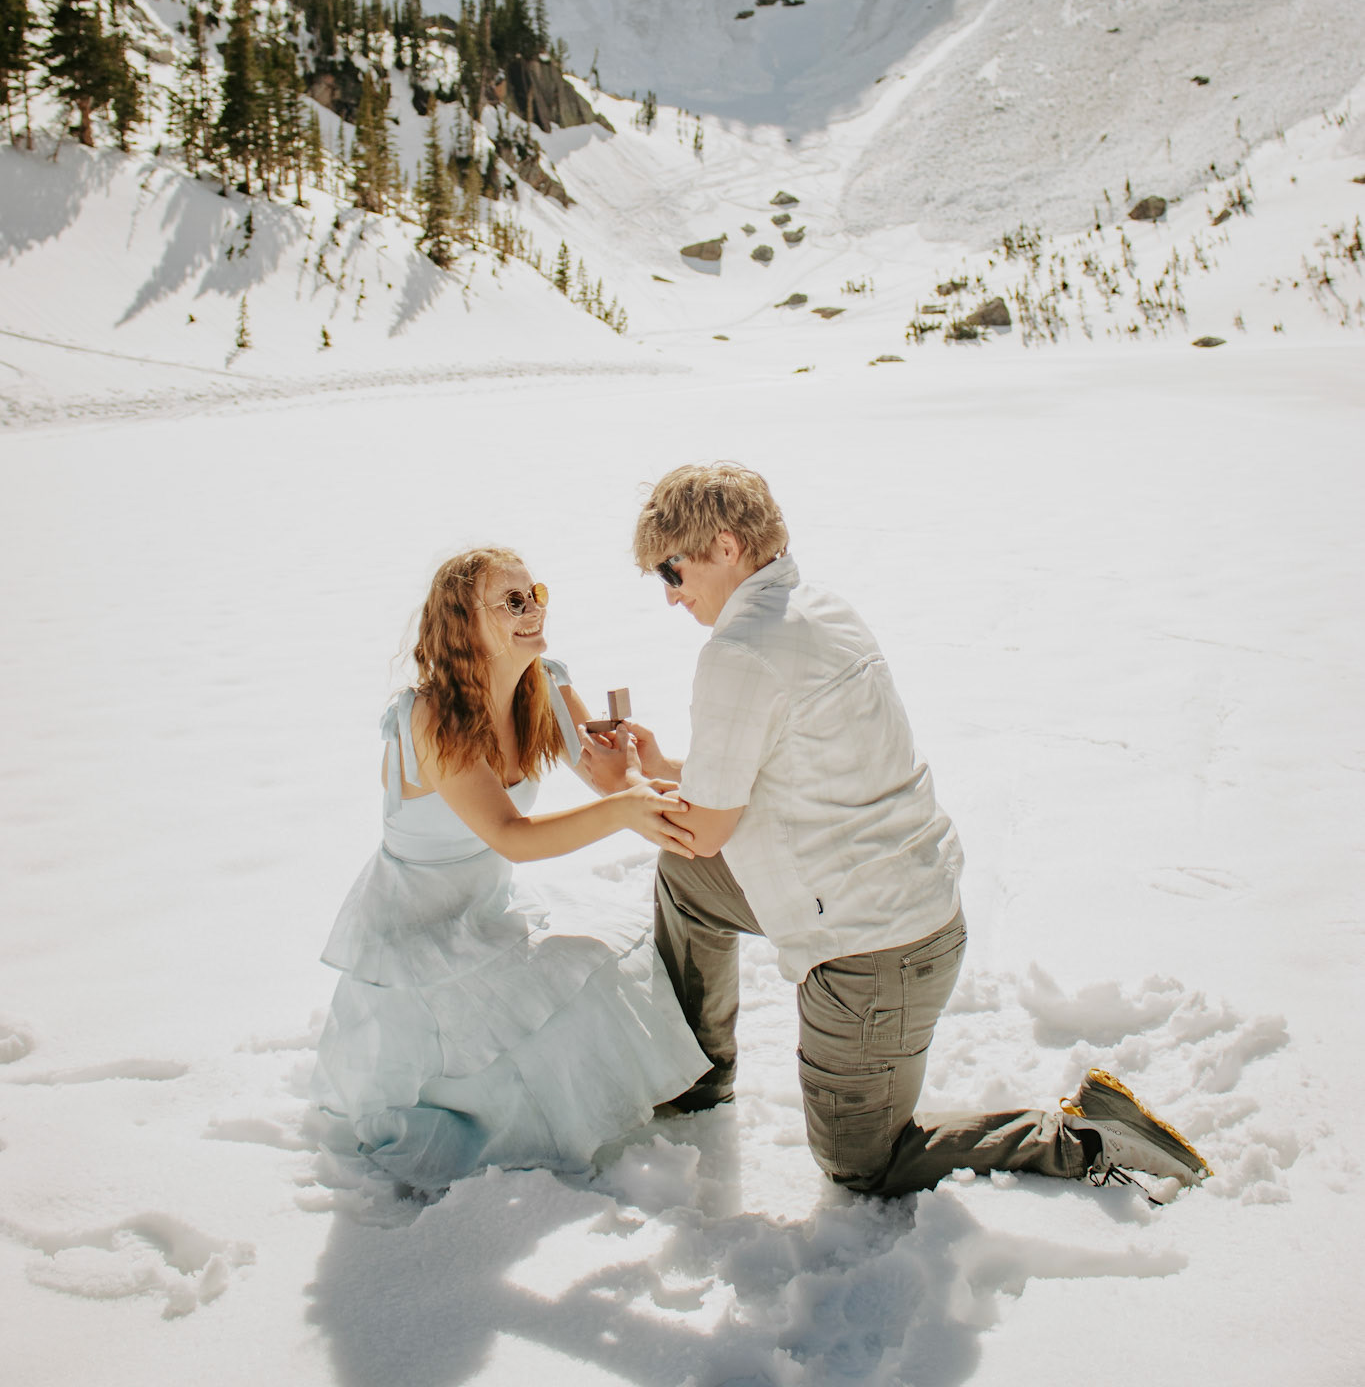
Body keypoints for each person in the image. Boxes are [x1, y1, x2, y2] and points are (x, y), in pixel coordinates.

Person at [578, 463, 1209, 1200]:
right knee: (689, 883)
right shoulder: (818, 609)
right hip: (903, 910)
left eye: (672, 569)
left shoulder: (738, 650)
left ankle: (1082, 1135)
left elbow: (707, 831)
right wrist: (659, 768)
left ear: (724, 546)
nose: (670, 594)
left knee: (862, 1163)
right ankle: (696, 1079)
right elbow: (769, 775)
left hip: (873, 954)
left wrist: (619, 791)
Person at [310, 546, 708, 1196]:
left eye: (536, 594)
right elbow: (511, 837)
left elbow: (609, 780)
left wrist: (649, 779)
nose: (533, 610)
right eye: (513, 601)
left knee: (611, 960)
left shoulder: (544, 682)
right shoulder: (432, 715)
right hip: (416, 926)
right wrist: (625, 810)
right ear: (464, 624)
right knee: (530, 1040)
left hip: (488, 902)